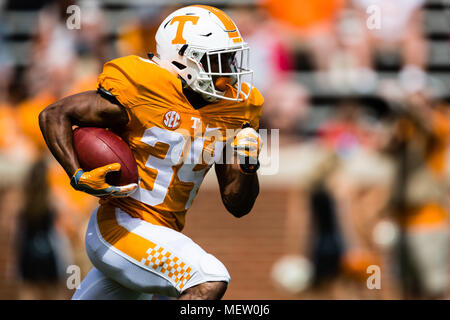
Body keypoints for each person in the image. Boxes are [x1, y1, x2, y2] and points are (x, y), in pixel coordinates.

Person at [39, 5, 264, 300]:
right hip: (120, 226)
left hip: (161, 236)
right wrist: (76, 173)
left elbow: (237, 205)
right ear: (182, 58)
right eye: (216, 60)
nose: (228, 71)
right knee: (208, 278)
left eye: (229, 58)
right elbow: (55, 114)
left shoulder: (235, 109)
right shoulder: (145, 87)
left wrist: (247, 165)